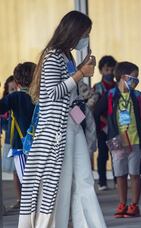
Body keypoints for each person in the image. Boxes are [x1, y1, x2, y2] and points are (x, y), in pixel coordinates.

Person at [18, 11, 106, 227]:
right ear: (73, 31)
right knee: (62, 184)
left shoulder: (67, 55)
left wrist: (79, 69)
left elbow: (69, 91)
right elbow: (51, 94)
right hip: (57, 130)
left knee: (84, 179)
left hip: (72, 125)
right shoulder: (52, 55)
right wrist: (79, 74)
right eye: (84, 33)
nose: (85, 38)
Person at [94, 61, 141, 218]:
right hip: (117, 141)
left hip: (135, 140)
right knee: (120, 174)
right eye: (134, 77)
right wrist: (105, 130)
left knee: (135, 173)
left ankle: (134, 205)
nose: (136, 80)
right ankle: (122, 203)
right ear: (124, 77)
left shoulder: (137, 96)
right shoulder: (110, 95)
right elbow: (96, 112)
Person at [90, 55, 117, 191]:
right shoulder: (97, 88)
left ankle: (118, 180)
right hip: (102, 128)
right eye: (107, 70)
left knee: (116, 154)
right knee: (102, 154)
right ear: (101, 71)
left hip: (115, 128)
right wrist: (104, 121)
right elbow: (94, 109)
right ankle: (102, 182)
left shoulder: (118, 87)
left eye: (112, 70)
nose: (110, 73)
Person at [1, 76, 20, 209]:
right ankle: (21, 199)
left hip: (21, 141)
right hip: (11, 140)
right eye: (11, 89)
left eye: (15, 88)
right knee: (15, 172)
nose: (13, 91)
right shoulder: (6, 104)